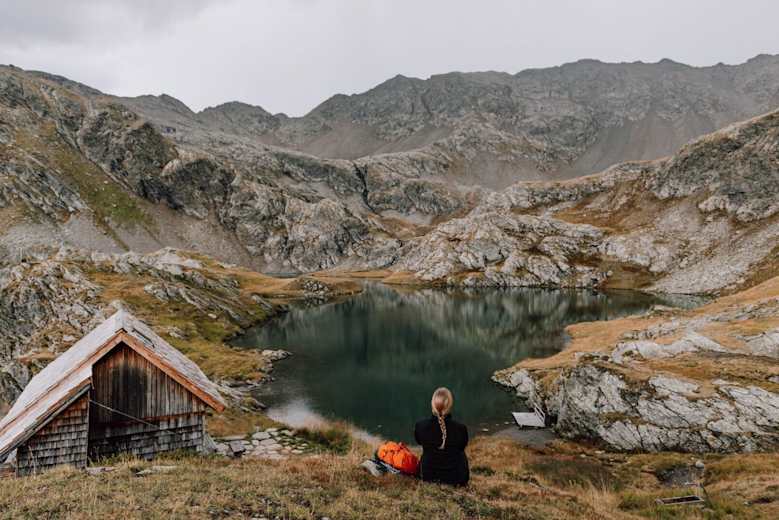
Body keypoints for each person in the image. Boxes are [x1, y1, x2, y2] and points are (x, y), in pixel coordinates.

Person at [414, 387, 469, 486]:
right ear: (450, 405)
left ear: (432, 404)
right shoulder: (460, 428)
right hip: (457, 478)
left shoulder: (421, 426)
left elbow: (418, 441)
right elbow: (462, 447)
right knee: (461, 453)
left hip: (428, 476)